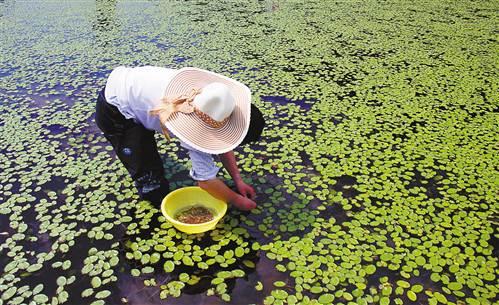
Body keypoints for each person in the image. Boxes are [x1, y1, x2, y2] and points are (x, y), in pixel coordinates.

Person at [95, 66, 265, 211]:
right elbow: (206, 182)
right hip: (115, 109)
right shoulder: (198, 122)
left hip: (134, 89)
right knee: (152, 183)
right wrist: (237, 201)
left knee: (146, 148)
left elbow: (223, 144)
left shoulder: (212, 101)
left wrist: (238, 180)